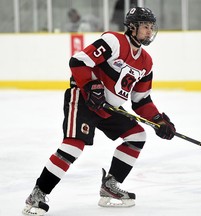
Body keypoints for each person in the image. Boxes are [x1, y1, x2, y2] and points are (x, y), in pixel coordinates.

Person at [22, 7, 176, 215]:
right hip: (85, 99)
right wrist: (92, 86)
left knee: (137, 135)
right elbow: (78, 61)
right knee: (74, 146)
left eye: (151, 27)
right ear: (132, 27)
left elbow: (141, 100)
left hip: (109, 107)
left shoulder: (146, 62)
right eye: (145, 27)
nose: (149, 31)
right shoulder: (114, 41)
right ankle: (37, 194)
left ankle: (110, 186)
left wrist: (159, 120)